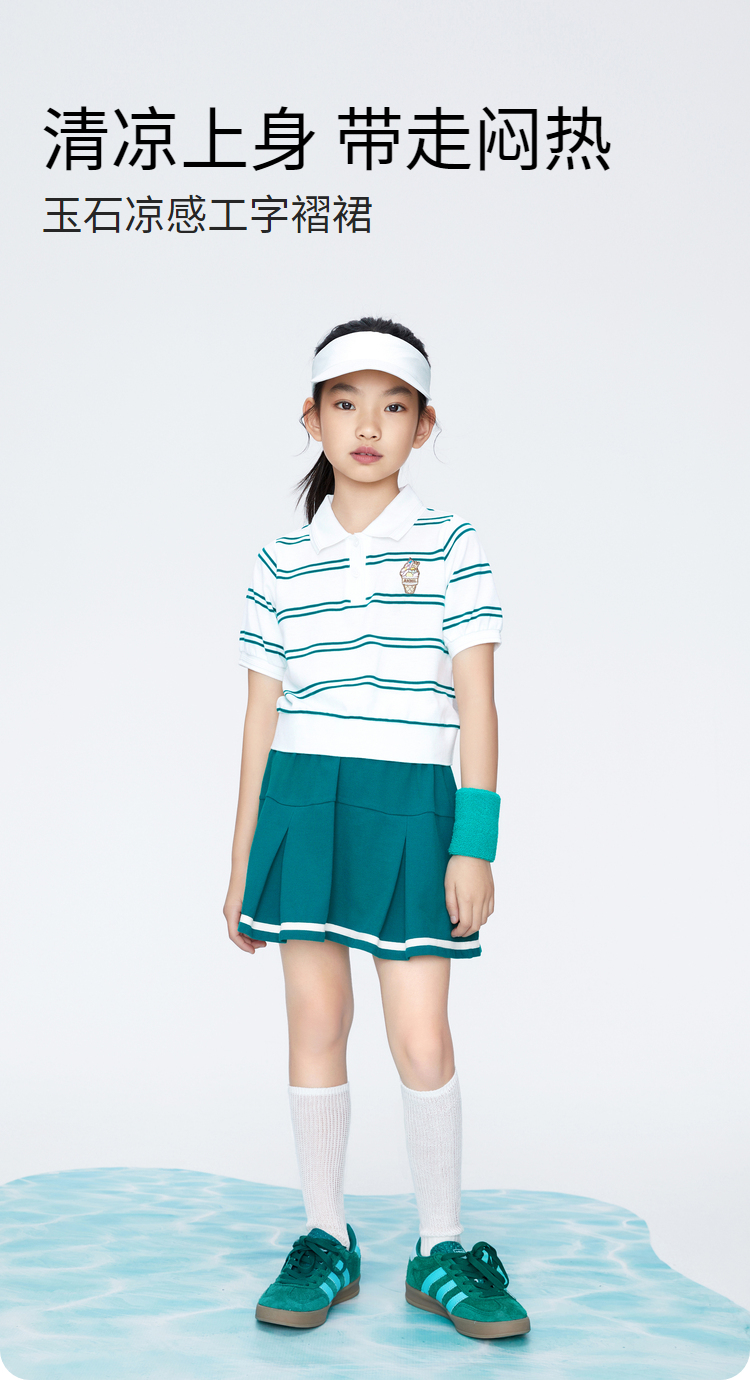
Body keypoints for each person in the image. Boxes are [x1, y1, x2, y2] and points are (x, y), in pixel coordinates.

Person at [223, 317, 530, 1341]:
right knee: (316, 1024)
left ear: (423, 426)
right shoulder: (279, 560)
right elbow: (259, 722)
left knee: (421, 1034)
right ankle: (326, 1238)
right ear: (311, 419)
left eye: (393, 406)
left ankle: (442, 1248)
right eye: (346, 403)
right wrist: (241, 865)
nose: (368, 425)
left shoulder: (452, 545)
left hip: (412, 808)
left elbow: (478, 703)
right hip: (303, 806)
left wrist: (474, 840)